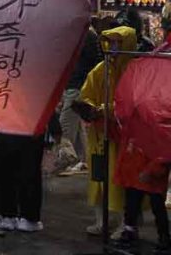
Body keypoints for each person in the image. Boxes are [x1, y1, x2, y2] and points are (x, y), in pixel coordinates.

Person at [74, 23, 138, 235]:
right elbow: (86, 94)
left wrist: (107, 110)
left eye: (117, 42)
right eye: (110, 42)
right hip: (100, 135)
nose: (112, 47)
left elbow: (133, 104)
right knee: (98, 179)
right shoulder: (100, 70)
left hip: (125, 138)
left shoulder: (134, 72)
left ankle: (125, 224)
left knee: (122, 182)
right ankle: (101, 220)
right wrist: (90, 109)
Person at [57, 21, 101, 175]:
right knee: (77, 127)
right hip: (75, 84)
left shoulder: (86, 35)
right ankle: (84, 161)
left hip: (78, 85)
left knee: (65, 123)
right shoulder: (82, 34)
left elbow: (93, 63)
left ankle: (63, 161)